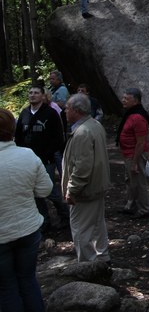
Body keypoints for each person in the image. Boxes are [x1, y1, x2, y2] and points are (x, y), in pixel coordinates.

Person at [0, 108, 52, 312]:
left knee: (7, 287)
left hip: (3, 234)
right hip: (28, 229)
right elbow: (45, 189)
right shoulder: (27, 155)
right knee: (28, 280)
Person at [62, 94, 111, 262]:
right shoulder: (95, 124)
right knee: (97, 225)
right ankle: (103, 258)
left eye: (67, 108)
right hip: (97, 186)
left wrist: (72, 190)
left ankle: (87, 266)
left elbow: (82, 167)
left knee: (81, 229)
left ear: (76, 110)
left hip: (85, 190)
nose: (65, 111)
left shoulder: (82, 132)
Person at [14, 84, 68, 232]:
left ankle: (65, 215)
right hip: (27, 161)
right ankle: (44, 221)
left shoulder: (50, 113)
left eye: (36, 93)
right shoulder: (24, 113)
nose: (32, 95)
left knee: (49, 190)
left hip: (46, 160)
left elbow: (58, 137)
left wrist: (48, 153)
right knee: (34, 192)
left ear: (43, 96)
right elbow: (18, 137)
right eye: (30, 92)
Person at [117, 88, 149, 218]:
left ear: (136, 101)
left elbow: (141, 142)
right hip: (128, 153)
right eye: (123, 98)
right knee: (130, 180)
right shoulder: (130, 113)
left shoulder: (138, 117)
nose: (123, 100)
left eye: (127, 99)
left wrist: (135, 162)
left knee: (138, 182)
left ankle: (144, 209)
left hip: (135, 154)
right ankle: (130, 205)